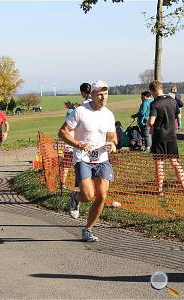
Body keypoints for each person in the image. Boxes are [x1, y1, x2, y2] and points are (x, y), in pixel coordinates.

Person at [58, 80, 117, 242]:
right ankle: (76, 197)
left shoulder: (109, 114)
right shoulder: (80, 112)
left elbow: (112, 136)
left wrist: (112, 143)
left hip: (102, 159)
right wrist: (78, 144)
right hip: (83, 158)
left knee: (102, 196)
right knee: (89, 195)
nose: (103, 97)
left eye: (105, 94)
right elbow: (62, 132)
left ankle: (87, 229)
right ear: (92, 95)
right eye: (99, 93)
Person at [147, 80, 184, 194]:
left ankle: (159, 189)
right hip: (172, 136)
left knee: (159, 163)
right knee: (174, 162)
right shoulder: (173, 101)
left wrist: (148, 123)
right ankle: (183, 185)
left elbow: (151, 122)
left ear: (152, 91)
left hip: (159, 137)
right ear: (161, 88)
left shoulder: (154, 104)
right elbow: (177, 115)